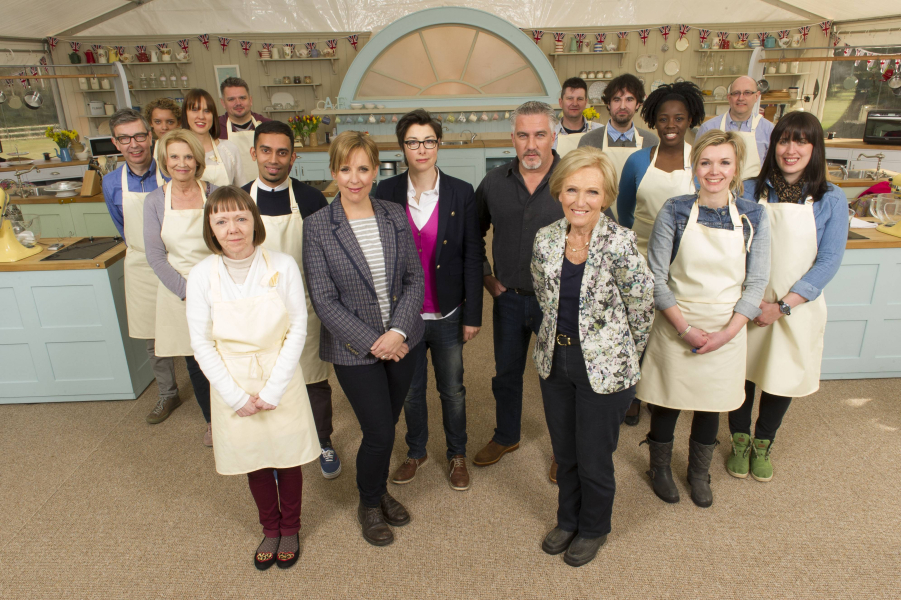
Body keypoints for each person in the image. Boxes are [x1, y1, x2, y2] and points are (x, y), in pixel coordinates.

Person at [531, 146, 654, 567]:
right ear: (558, 191)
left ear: (606, 197)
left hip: (605, 368)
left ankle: (594, 528)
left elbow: (641, 307)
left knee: (594, 457)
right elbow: (544, 296)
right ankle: (568, 520)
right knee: (565, 452)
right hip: (555, 361)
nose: (580, 201)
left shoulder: (620, 242)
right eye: (571, 189)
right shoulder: (546, 238)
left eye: (592, 192)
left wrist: (622, 356)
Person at [186, 186, 320, 571]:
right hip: (230, 379)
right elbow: (201, 343)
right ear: (211, 228)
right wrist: (235, 396)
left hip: (280, 374)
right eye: (221, 221)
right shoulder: (201, 275)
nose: (233, 228)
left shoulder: (282, 265)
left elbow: (298, 327)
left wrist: (274, 388)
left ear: (254, 222)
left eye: (241, 218)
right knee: (255, 460)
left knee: (287, 458)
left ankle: (290, 527)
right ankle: (270, 528)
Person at [302, 131, 425, 547]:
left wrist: (398, 332)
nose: (354, 178)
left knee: (388, 423)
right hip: (354, 349)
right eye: (345, 169)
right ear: (333, 172)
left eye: (362, 168)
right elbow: (324, 299)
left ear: (375, 170)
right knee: (378, 432)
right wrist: (378, 342)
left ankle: (379, 490)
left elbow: (414, 278)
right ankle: (369, 503)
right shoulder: (318, 226)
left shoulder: (394, 214)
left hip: (404, 341)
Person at [637, 130, 770, 508]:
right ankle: (659, 469)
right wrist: (685, 329)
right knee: (668, 402)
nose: (714, 171)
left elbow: (756, 283)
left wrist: (728, 333)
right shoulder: (675, 210)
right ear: (694, 167)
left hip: (727, 328)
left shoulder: (754, 215)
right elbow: (656, 277)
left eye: (724, 162)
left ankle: (699, 472)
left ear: (736, 168)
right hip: (676, 322)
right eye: (706, 162)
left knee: (711, 404)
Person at [730, 111, 848, 482]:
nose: (790, 149)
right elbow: (733, 248)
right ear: (773, 145)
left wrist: (782, 307)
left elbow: (828, 262)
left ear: (815, 148)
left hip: (795, 308)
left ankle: (764, 442)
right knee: (741, 374)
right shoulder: (749, 190)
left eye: (801, 141)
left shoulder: (831, 199)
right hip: (748, 303)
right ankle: (739, 440)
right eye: (784, 140)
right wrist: (750, 303)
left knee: (782, 375)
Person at [376, 110, 483, 492]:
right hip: (404, 315)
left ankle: (457, 454)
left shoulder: (461, 192)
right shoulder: (386, 191)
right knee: (410, 390)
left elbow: (473, 255)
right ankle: (416, 451)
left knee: (452, 389)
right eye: (412, 142)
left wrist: (473, 314)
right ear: (402, 147)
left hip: (448, 311)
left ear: (439, 144)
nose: (421, 149)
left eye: (428, 141)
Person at [240, 120, 342, 480]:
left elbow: (327, 254)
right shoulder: (239, 199)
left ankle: (322, 440)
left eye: (282, 152)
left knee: (313, 378)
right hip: (256, 307)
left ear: (293, 157)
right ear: (253, 153)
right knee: (264, 378)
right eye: (266, 151)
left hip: (305, 303)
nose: (273, 159)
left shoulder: (311, 199)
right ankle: (273, 445)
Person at [475, 101, 562, 474]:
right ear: (512, 138)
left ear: (553, 136)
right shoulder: (494, 182)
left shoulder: (573, 179)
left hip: (557, 303)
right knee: (506, 373)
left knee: (558, 377)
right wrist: (486, 276)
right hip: (508, 299)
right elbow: (471, 233)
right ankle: (506, 434)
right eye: (523, 135)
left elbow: (601, 233)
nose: (531, 144)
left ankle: (564, 450)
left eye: (539, 134)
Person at [614, 81, 705, 425]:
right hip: (640, 252)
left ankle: (660, 391)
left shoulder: (700, 159)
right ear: (653, 120)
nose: (671, 125)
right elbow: (624, 210)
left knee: (669, 327)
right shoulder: (638, 161)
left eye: (679, 118)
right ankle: (632, 394)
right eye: (664, 118)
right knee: (634, 326)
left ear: (690, 120)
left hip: (683, 256)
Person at [102, 109, 180, 424]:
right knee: (152, 336)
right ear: (115, 143)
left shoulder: (172, 172)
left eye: (138, 136)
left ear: (150, 137)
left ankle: (210, 396)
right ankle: (168, 394)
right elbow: (122, 225)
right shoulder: (111, 183)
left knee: (192, 328)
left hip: (176, 259)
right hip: (140, 263)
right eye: (124, 138)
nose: (133, 144)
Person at [144, 129, 216, 445]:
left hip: (218, 286)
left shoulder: (215, 194)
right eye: (174, 156)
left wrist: (217, 288)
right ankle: (213, 422)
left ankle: (237, 416)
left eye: (188, 156)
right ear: (164, 160)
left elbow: (228, 242)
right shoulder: (155, 201)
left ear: (197, 160)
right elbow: (155, 255)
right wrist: (188, 292)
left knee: (228, 355)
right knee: (196, 361)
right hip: (179, 292)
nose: (181, 163)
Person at [577, 74, 658, 187]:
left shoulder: (651, 142)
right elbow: (580, 182)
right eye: (617, 100)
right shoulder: (589, 141)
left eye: (629, 99)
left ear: (638, 104)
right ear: (608, 104)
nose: (622, 106)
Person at [696, 75, 774, 179]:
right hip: (716, 186)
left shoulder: (768, 129)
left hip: (754, 188)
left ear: (756, 96)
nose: (741, 98)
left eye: (747, 93)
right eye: (736, 93)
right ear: (729, 98)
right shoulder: (708, 128)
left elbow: (773, 167)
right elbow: (696, 166)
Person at [180, 88, 241, 187]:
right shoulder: (177, 152)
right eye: (194, 110)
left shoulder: (229, 149)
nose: (201, 116)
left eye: (207, 111)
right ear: (185, 114)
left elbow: (242, 190)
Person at [218, 76, 272, 186]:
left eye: (242, 98)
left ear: (250, 100)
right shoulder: (216, 128)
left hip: (265, 189)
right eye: (231, 99)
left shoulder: (268, 126)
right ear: (223, 103)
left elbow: (284, 159)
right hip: (231, 192)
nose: (238, 103)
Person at [553, 77, 602, 155]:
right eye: (570, 98)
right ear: (561, 102)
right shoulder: (550, 134)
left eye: (580, 99)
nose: (575, 103)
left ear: (585, 103)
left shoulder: (600, 132)